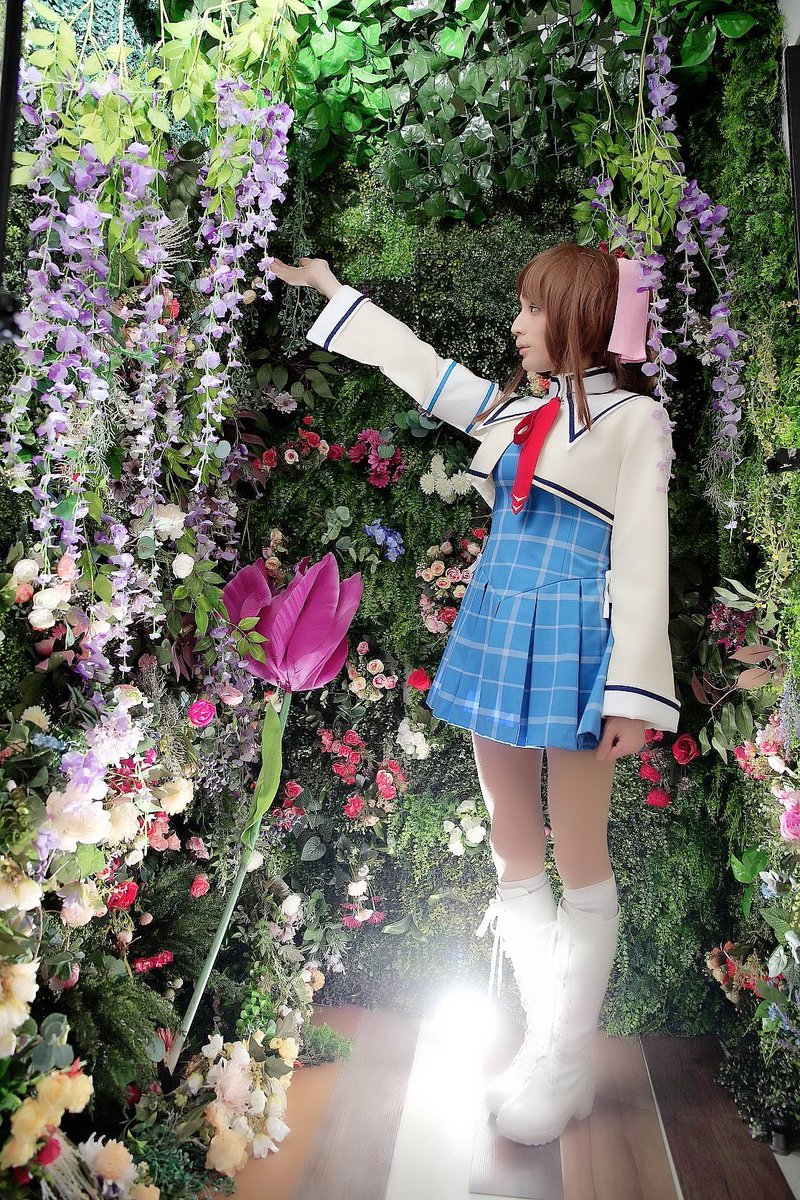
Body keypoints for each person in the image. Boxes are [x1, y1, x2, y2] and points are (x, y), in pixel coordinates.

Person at [268, 245, 680, 1147]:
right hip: (498, 620)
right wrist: (336, 294)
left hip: (576, 636)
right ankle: (545, 1046)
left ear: (580, 317)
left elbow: (644, 559)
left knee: (580, 850)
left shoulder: (637, 421)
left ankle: (566, 1060)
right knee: (511, 843)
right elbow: (422, 368)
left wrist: (634, 693)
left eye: (534, 309)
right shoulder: (518, 410)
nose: (518, 325)